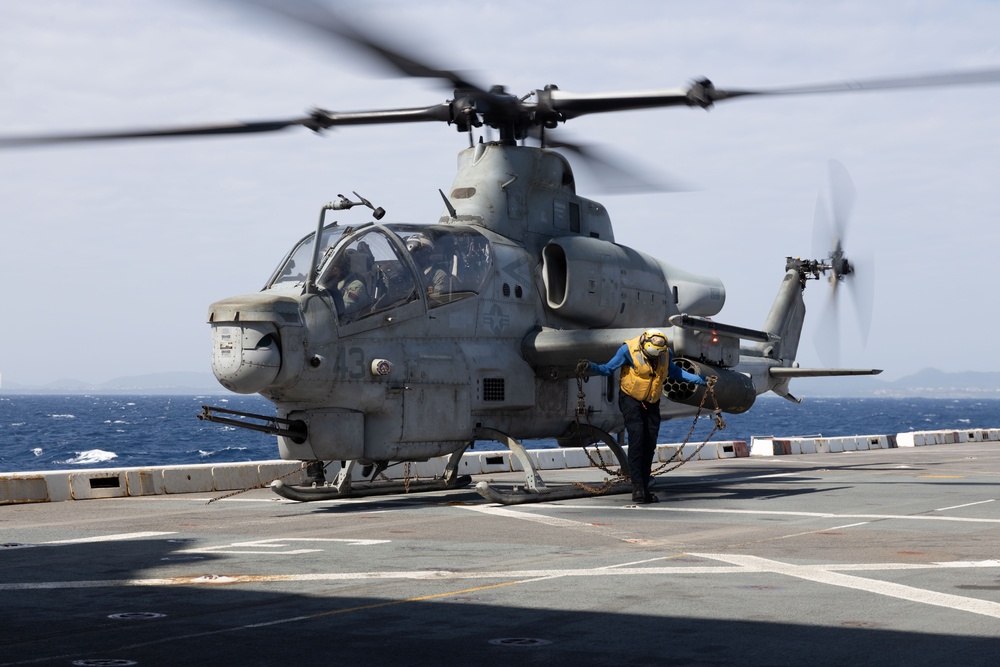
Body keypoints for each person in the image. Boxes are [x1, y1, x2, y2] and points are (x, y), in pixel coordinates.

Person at [580, 330, 708, 504]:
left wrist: (699, 379)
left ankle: (645, 487)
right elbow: (607, 369)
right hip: (630, 399)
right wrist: (591, 367)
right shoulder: (628, 350)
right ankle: (638, 488)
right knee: (637, 437)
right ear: (644, 345)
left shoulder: (665, 353)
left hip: (651, 402)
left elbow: (675, 372)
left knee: (649, 443)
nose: (655, 357)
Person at [324, 250, 370, 319]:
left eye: (327, 267)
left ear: (336, 268)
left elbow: (341, 313)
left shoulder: (356, 286)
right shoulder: (333, 283)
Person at [406, 234, 450, 298]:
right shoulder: (408, 272)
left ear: (426, 254)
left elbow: (438, 299)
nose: (413, 257)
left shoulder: (439, 274)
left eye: (416, 254)